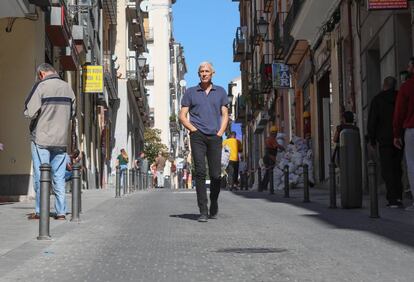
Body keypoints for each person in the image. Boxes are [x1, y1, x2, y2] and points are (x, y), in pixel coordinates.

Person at [24, 63, 76, 220]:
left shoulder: (41, 86)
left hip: (42, 139)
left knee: (41, 176)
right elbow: (72, 113)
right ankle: (61, 212)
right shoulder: (68, 88)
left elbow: (29, 112)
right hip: (61, 140)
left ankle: (41, 211)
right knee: (59, 177)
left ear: (41, 74)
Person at [179, 61, 229, 222]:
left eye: (207, 71)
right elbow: (182, 115)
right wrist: (193, 129)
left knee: (215, 175)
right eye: (201, 71)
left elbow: (225, 114)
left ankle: (214, 201)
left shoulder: (220, 91)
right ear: (198, 74)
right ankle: (203, 210)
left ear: (212, 73)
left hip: (215, 136)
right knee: (200, 172)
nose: (204, 73)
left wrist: (220, 132)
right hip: (197, 136)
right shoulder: (191, 92)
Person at [368, 76, 403, 208]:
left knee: (387, 169)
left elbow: (372, 121)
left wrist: (372, 139)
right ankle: (399, 196)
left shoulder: (378, 100)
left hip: (384, 140)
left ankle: (392, 198)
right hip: (399, 137)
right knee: (397, 167)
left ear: (384, 85)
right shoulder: (399, 97)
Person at [394, 57, 414, 211]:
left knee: (412, 165)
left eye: (409, 66)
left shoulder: (406, 87)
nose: (407, 69)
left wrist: (396, 134)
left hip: (411, 130)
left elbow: (399, 113)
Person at [260, 126, 284, 191]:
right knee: (268, 172)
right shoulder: (272, 139)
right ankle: (263, 186)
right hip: (270, 158)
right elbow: (276, 146)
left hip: (267, 157)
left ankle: (263, 186)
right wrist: (282, 148)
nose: (276, 134)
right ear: (274, 133)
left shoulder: (268, 138)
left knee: (267, 172)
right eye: (276, 133)